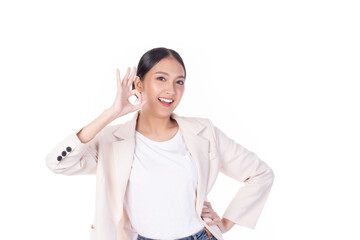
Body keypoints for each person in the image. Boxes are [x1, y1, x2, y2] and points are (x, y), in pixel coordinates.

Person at [46, 47, 274, 240]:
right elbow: (58, 163)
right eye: (161, 78)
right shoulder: (112, 141)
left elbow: (260, 174)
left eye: (179, 82)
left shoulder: (204, 133)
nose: (171, 90)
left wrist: (225, 223)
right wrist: (112, 113)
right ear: (139, 83)